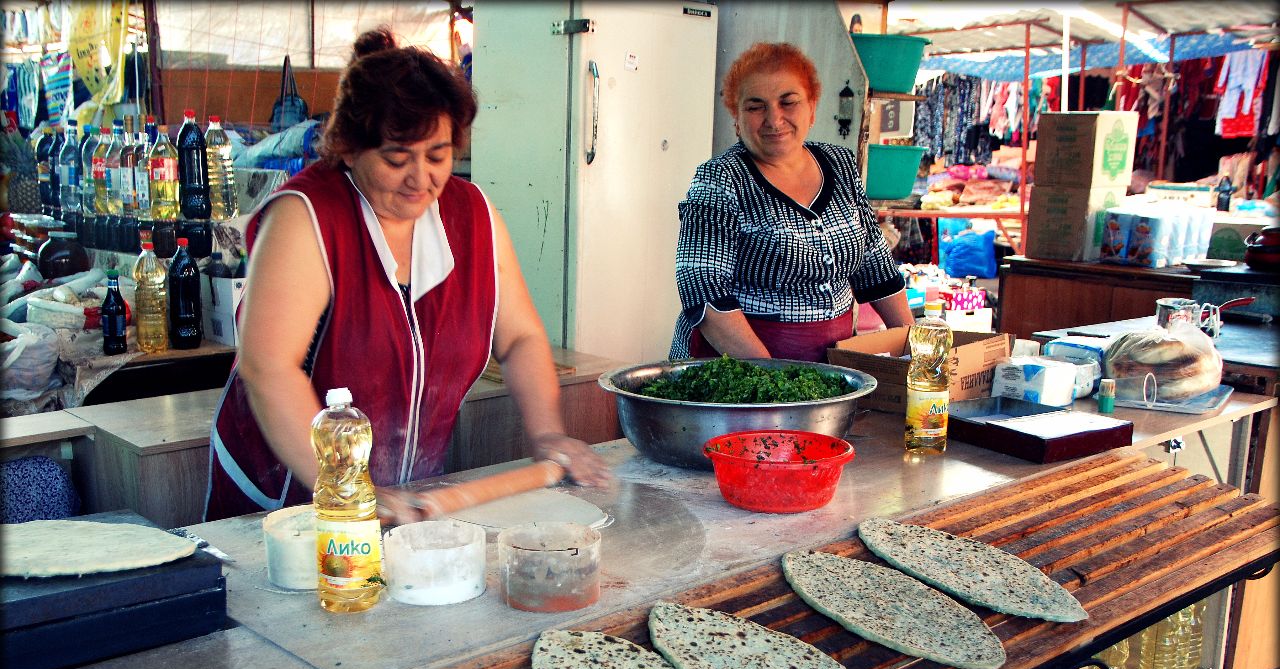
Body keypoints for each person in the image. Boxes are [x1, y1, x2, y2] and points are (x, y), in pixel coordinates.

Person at [205, 27, 608, 525]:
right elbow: (268, 367)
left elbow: (521, 337)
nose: (421, 178)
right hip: (289, 503)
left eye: (437, 156)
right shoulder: (307, 218)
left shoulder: (474, 217)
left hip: (406, 500)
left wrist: (548, 434)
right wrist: (347, 491)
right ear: (349, 149)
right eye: (398, 158)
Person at [668, 42, 914, 363]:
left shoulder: (839, 163)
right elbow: (702, 287)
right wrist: (772, 377)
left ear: (812, 107)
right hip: (737, 367)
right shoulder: (720, 179)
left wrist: (918, 350)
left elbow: (874, 264)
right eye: (756, 106)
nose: (774, 119)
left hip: (831, 364)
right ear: (737, 118)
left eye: (789, 101)